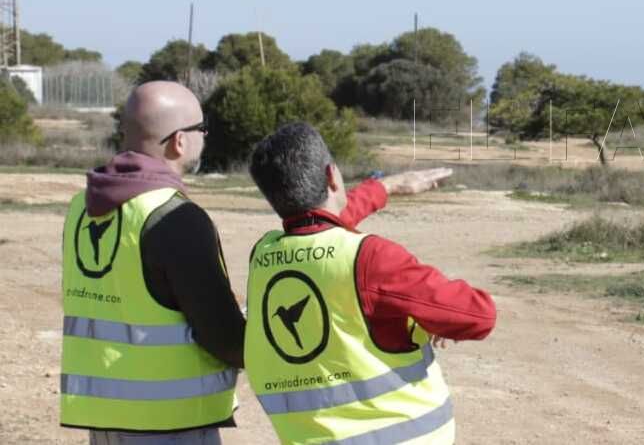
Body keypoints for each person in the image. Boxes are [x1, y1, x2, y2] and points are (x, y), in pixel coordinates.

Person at [244, 121, 495, 445]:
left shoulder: (263, 255)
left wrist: (383, 188)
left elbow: (316, 233)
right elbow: (479, 316)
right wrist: (431, 319)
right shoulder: (372, 257)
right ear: (332, 176)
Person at [60, 81, 244, 444]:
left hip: (107, 418)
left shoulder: (81, 209)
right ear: (180, 141)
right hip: (170, 422)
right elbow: (224, 338)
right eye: (201, 129)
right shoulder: (176, 217)